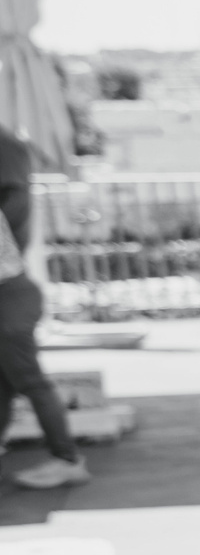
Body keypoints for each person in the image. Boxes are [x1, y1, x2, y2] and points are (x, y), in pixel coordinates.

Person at [0, 126, 88, 491]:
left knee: (28, 380)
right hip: (13, 293)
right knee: (4, 384)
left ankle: (66, 458)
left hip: (9, 297)